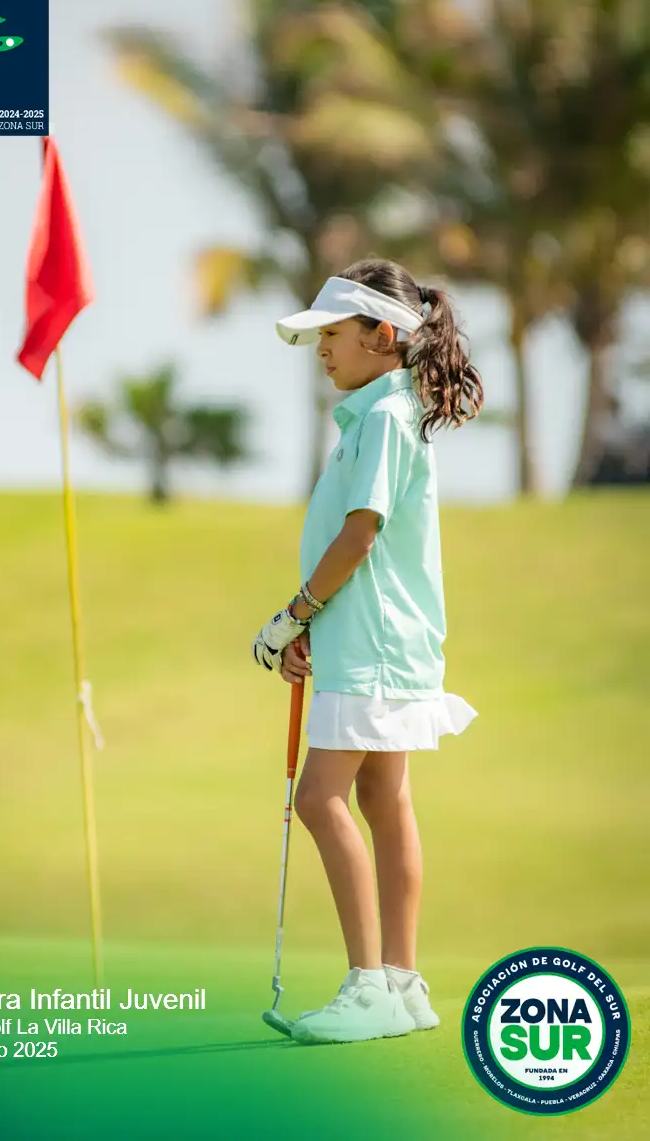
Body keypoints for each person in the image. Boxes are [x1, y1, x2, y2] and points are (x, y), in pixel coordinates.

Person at [252, 257, 483, 1045]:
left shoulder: (384, 417)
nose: (321, 348)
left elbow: (360, 536)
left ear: (383, 335)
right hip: (379, 642)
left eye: (334, 333)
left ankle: (369, 987)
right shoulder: (383, 414)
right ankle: (404, 986)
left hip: (374, 648)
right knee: (384, 800)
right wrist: (313, 626)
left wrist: (293, 616)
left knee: (320, 799)